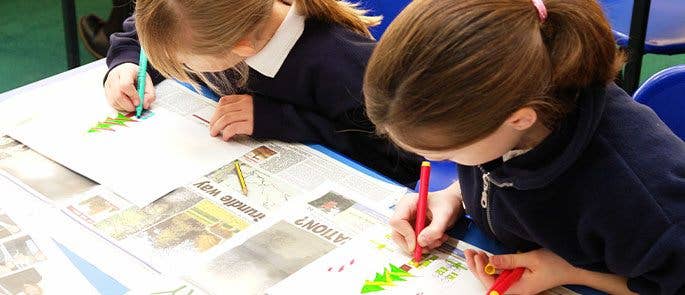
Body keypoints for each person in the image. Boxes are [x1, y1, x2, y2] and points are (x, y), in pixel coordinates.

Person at [363, 0, 685, 293]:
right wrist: (454, 195)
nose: (435, 160)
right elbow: (495, 172)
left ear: (519, 119)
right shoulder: (504, 107)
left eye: (448, 152)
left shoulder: (638, 197)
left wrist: (568, 270)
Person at [103, 0, 421, 184]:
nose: (177, 65)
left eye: (183, 62)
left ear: (241, 48)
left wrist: (279, 119)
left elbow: (404, 161)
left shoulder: (343, 64)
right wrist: (126, 62)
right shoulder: (204, 20)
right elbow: (151, 30)